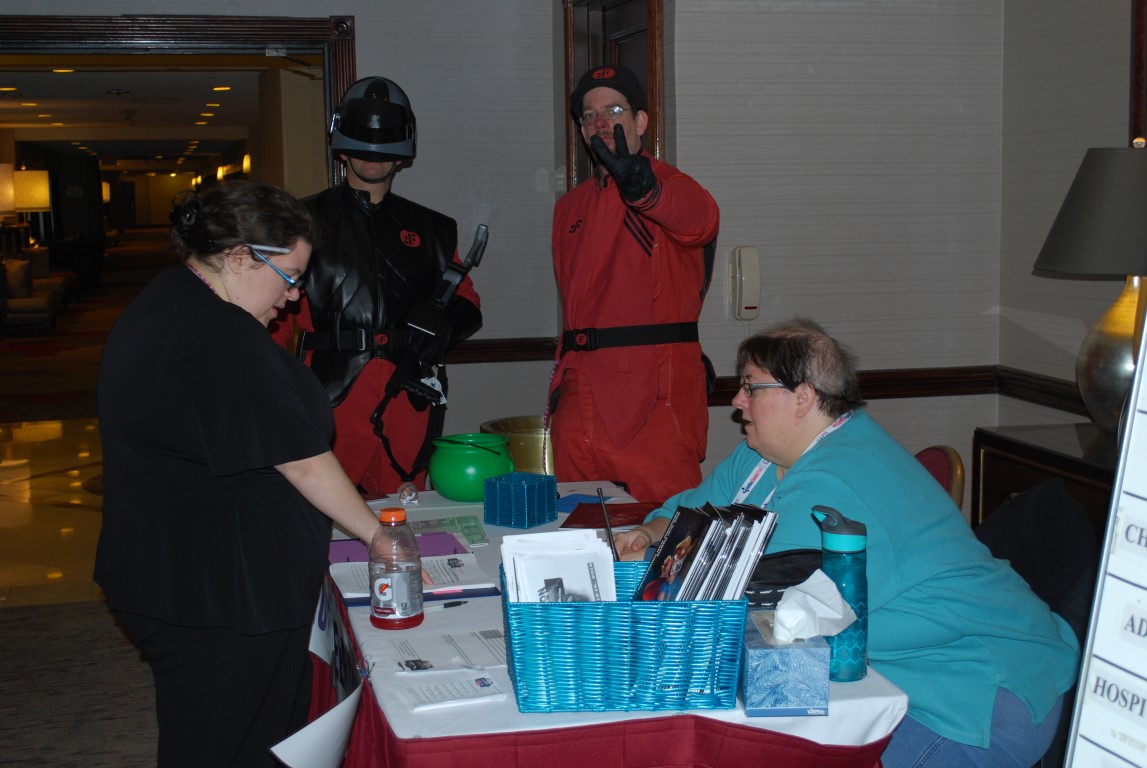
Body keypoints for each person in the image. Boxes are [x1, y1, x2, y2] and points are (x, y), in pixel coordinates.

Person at [614, 318, 1080, 767]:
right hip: (880, 675)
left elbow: (754, 603)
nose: (737, 400)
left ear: (802, 398)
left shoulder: (838, 479)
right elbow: (688, 515)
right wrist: (649, 535)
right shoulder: (759, 457)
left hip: (970, 693)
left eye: (752, 386)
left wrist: (654, 575)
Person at [95, 181, 386, 768]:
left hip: (177, 573)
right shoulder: (217, 333)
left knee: (218, 737)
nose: (294, 296)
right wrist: (381, 536)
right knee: (232, 747)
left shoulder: (173, 299)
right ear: (238, 257)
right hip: (215, 594)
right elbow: (301, 460)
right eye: (289, 276)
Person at [272, 76, 482, 496]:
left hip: (407, 394)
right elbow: (273, 317)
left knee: (404, 513)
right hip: (331, 393)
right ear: (342, 148)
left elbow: (466, 301)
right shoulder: (300, 222)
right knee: (319, 510)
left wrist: (443, 329)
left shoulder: (433, 230)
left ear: (402, 155)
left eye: (384, 142)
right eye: (363, 141)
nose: (373, 155)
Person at [548, 64, 720, 503]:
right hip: (578, 397)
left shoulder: (670, 188)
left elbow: (700, 221)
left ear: (640, 122)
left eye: (614, 111)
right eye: (589, 116)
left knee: (663, 530)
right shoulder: (569, 208)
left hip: (653, 401)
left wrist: (644, 189)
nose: (600, 123)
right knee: (575, 526)